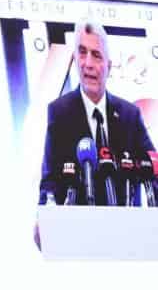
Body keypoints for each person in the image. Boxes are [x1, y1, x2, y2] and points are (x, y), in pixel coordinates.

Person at [39, 20, 154, 206]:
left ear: (109, 66)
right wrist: (44, 212)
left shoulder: (130, 115)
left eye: (96, 55)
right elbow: (49, 184)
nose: (88, 63)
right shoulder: (59, 112)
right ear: (75, 60)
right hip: (75, 222)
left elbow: (154, 171)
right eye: (82, 53)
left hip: (126, 222)